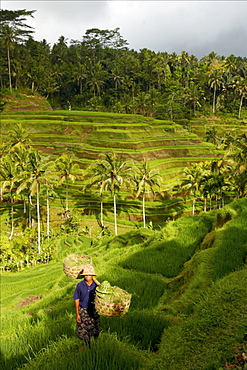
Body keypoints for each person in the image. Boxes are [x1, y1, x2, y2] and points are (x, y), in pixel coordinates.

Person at [73, 264, 100, 350]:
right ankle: (86, 344)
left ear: (92, 276)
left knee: (95, 327)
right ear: (84, 276)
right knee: (83, 328)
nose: (88, 276)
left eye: (90, 274)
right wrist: (77, 313)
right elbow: (76, 299)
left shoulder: (96, 286)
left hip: (94, 310)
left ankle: (96, 344)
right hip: (83, 309)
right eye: (86, 275)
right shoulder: (80, 285)